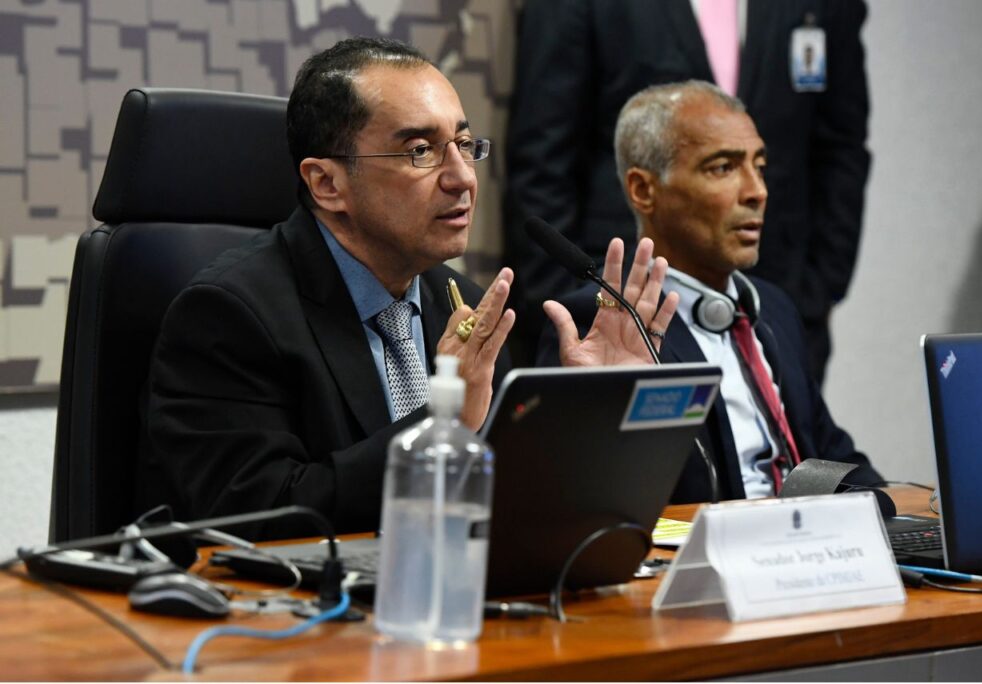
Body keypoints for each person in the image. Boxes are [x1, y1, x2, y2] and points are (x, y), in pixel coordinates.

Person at [139, 37, 676, 538]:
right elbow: (255, 515)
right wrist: (440, 428)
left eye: (465, 145)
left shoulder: (464, 304)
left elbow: (511, 502)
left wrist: (592, 418)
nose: (463, 177)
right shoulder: (231, 315)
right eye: (421, 151)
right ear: (327, 183)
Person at [538, 81, 881, 502]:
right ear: (644, 190)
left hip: (805, 547)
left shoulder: (772, 309)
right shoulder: (599, 324)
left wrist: (893, 510)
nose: (757, 191)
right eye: (723, 167)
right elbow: (573, 497)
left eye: (760, 165)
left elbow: (829, 449)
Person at [505, 0, 871, 385]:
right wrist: (568, 300)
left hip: (780, 304)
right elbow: (542, 156)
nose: (751, 188)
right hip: (620, 307)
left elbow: (842, 147)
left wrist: (817, 291)